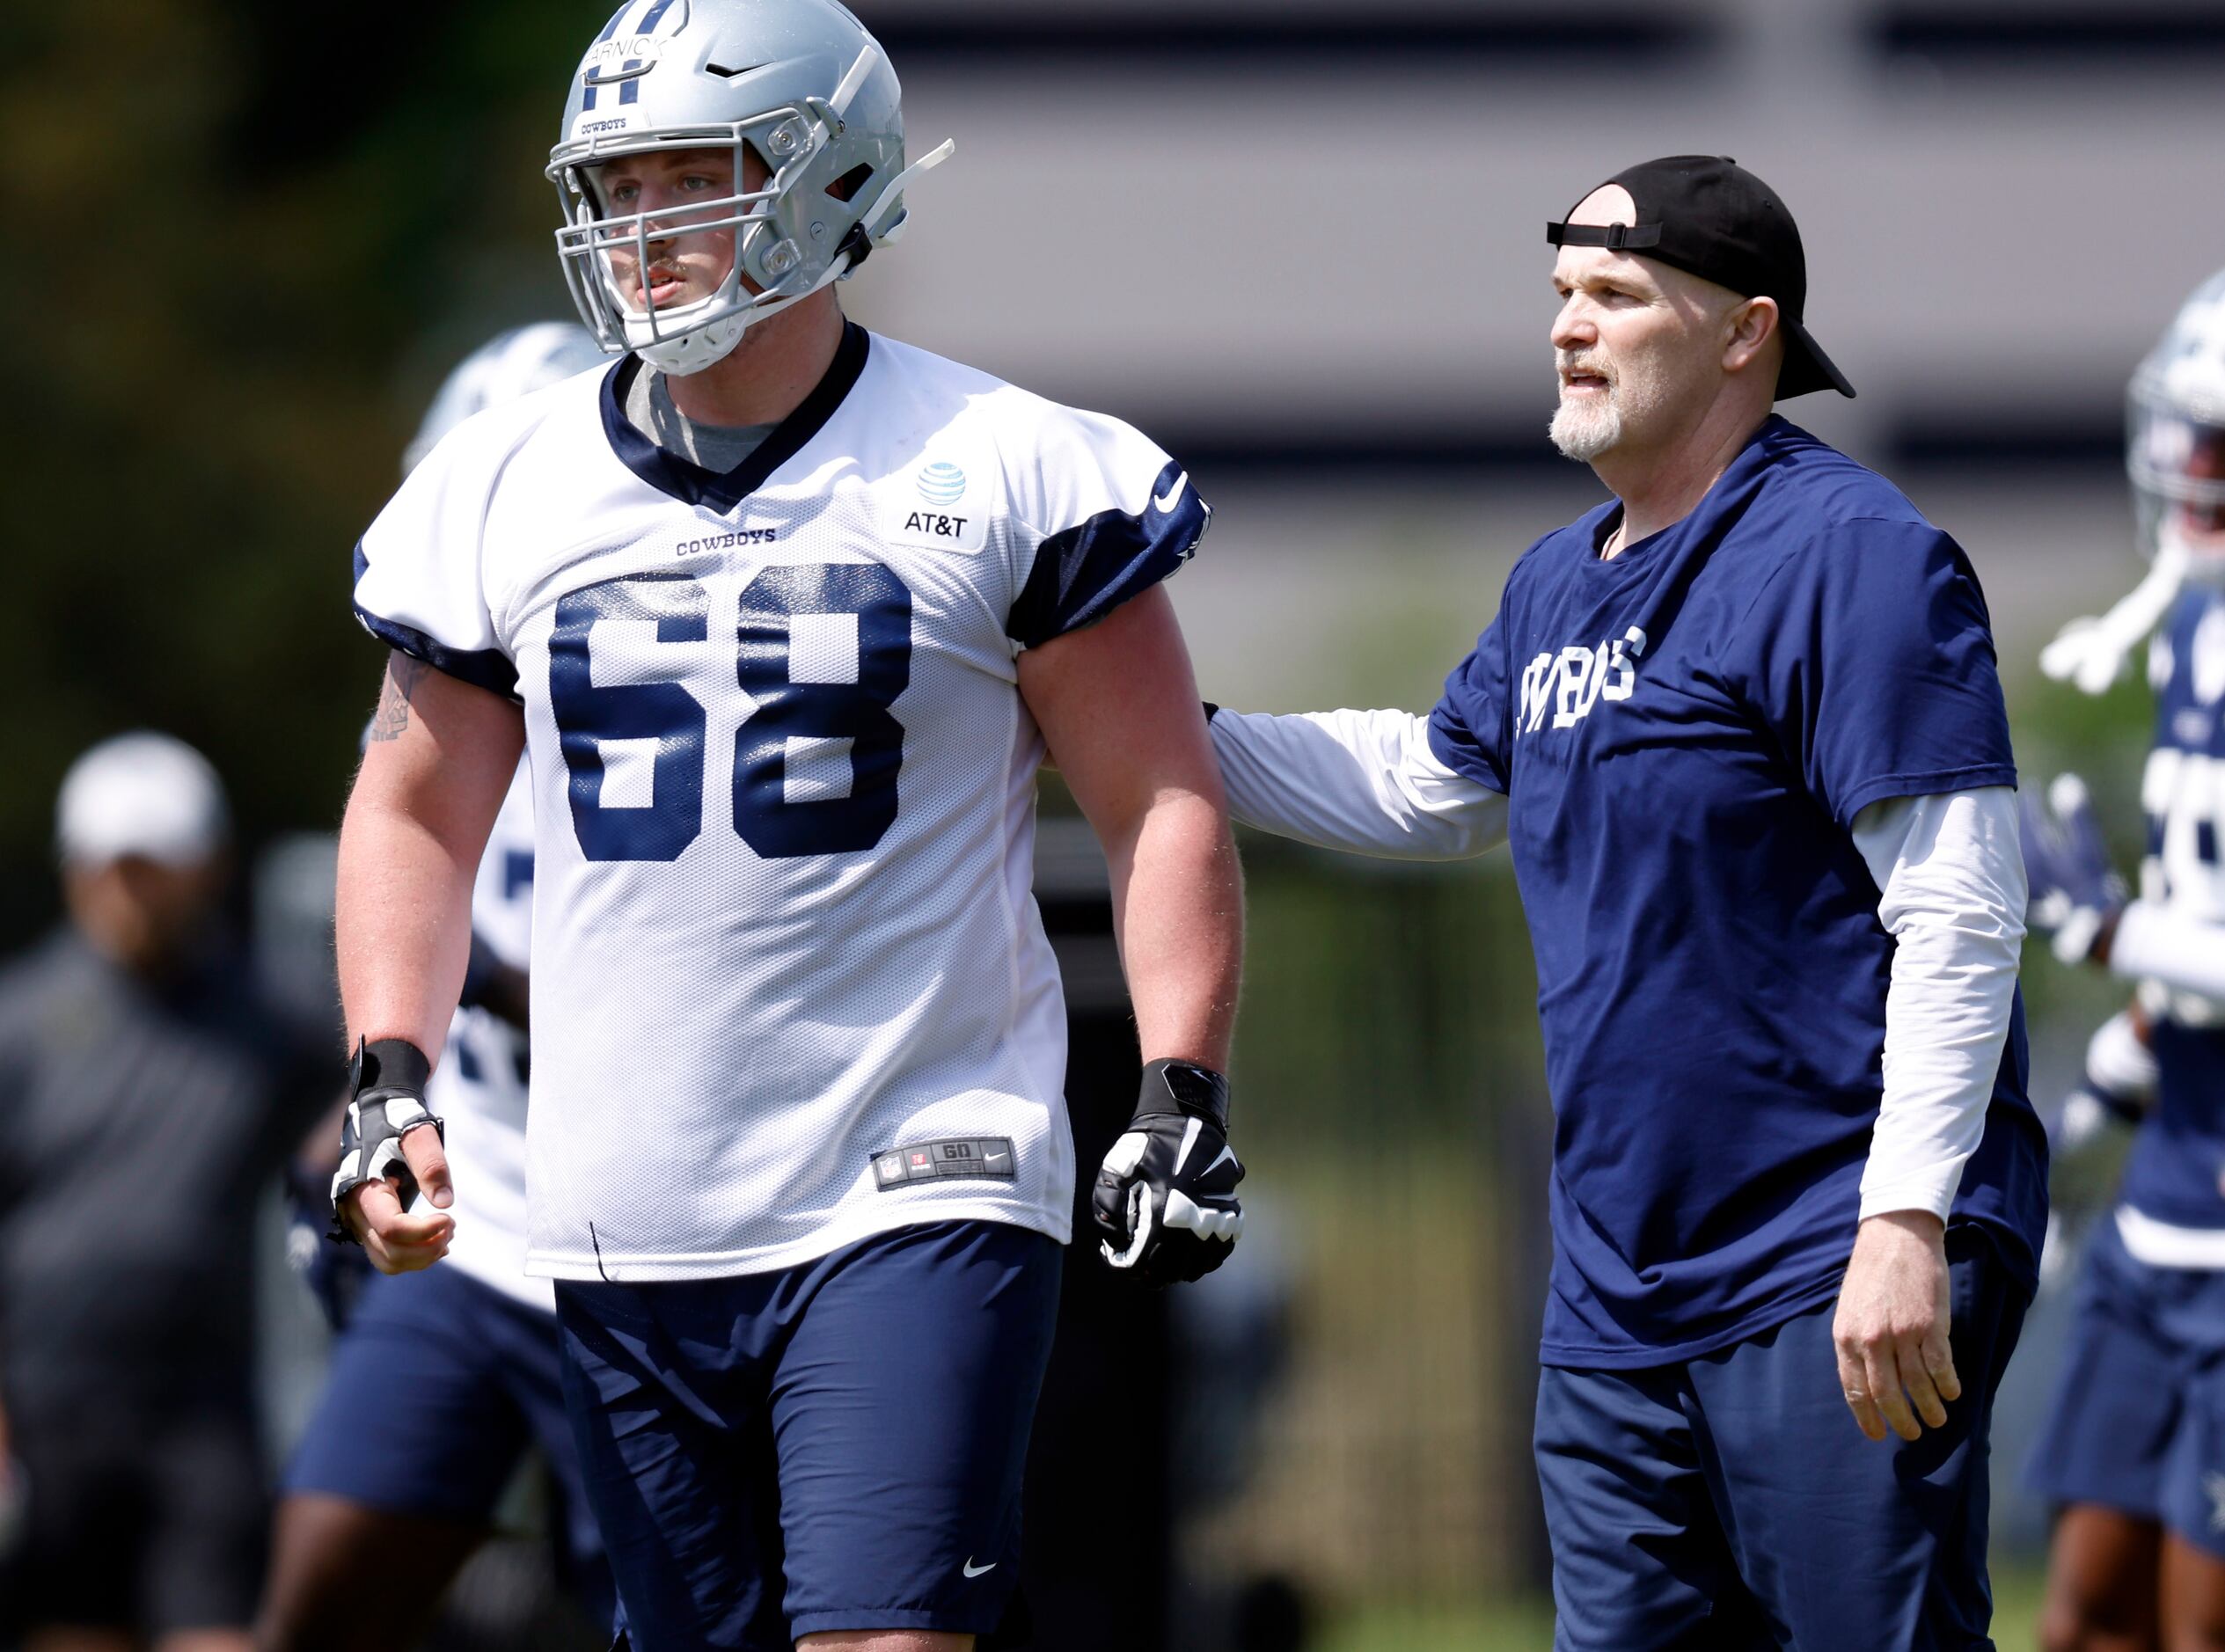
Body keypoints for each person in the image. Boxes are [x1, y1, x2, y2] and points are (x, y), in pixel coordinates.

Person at [329, 4, 1247, 1648]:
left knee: (882, 1636)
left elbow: (1157, 794)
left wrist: (1176, 1082)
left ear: (831, 181)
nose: (643, 231)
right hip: (619, 1198)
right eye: (617, 186)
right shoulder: (501, 480)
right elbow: (411, 804)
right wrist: (385, 1073)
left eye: (694, 176)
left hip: (919, 1162)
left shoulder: (1008, 461)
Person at [1204, 155, 2046, 1649]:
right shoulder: (1553, 584)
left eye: (1611, 294)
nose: (1565, 328)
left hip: (1825, 1255)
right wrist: (1151, 733)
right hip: (1612, 1287)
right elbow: (1426, 783)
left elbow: (1961, 908)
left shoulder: (1847, 556)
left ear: (1743, 333)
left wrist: (1903, 1219)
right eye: (1557, 297)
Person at [257, 323, 616, 1652]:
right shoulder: (432, 690)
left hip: (656, 1238)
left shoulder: (676, 682)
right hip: (476, 1221)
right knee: (325, 1587)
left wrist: (499, 996)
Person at [0, 734, 324, 1652]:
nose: (128, 893)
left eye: (153, 869)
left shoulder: (270, 1013)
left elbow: (372, 1069)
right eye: (111, 869)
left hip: (202, 1405)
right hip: (46, 1410)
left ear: (209, 868)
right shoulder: (19, 1022)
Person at [2021, 267, 2225, 1652]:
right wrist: (2085, 1113)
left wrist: (2105, 929)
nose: (2185, 464)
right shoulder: (2193, 630)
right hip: (2166, 1205)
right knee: (2089, 1615)